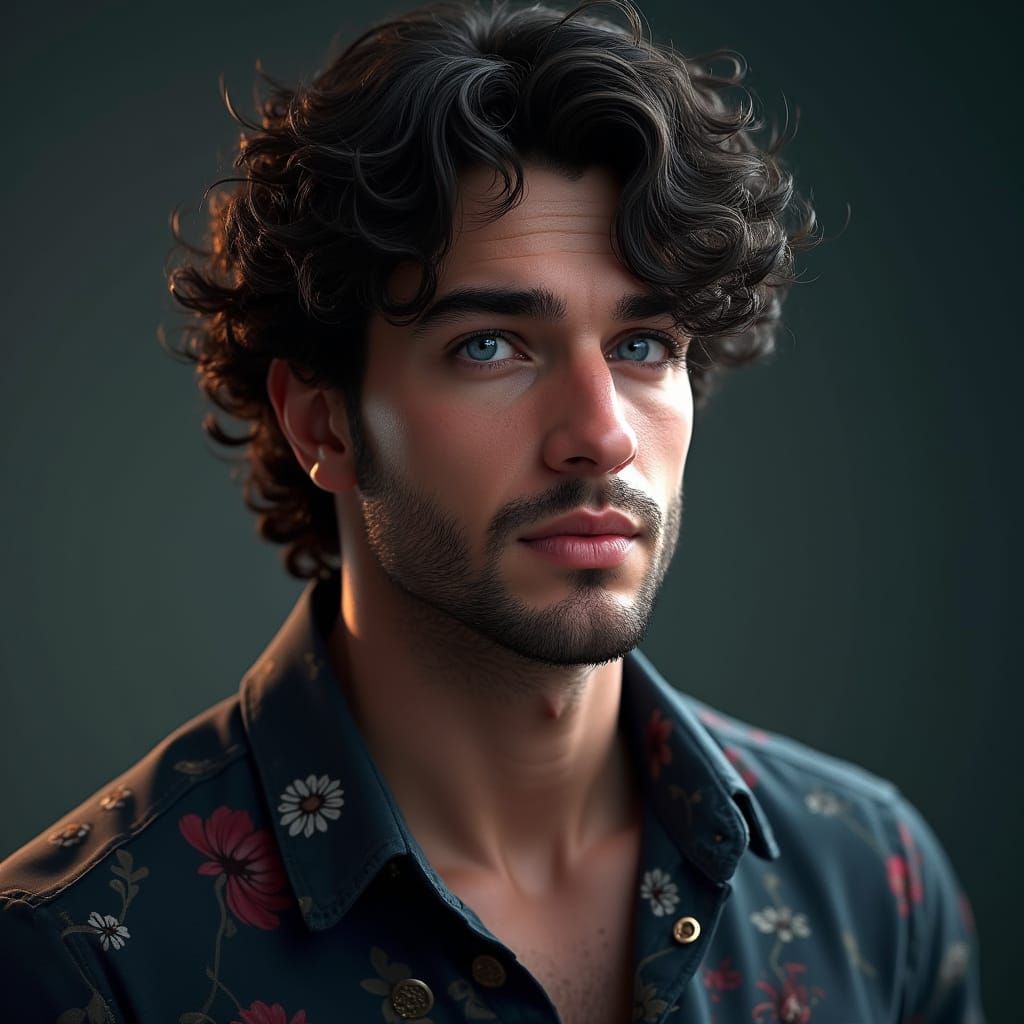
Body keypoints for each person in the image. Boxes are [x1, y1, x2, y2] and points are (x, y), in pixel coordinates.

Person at [0, 1, 985, 1021]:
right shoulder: (77, 960)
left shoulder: (873, 884)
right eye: (490, 346)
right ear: (323, 424)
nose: (599, 434)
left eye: (643, 344)